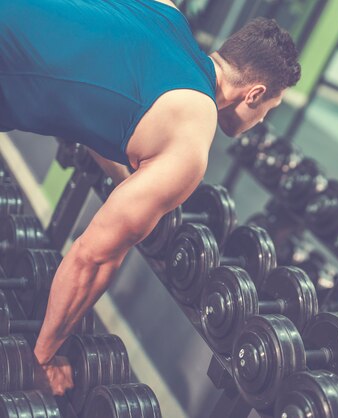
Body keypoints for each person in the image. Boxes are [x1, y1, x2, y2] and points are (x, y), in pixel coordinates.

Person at [0, 0, 300, 394]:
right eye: (269, 110)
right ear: (255, 93)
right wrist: (43, 360)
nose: (262, 122)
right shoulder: (193, 138)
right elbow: (92, 256)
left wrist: (139, 182)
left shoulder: (165, 12)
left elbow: (103, 103)